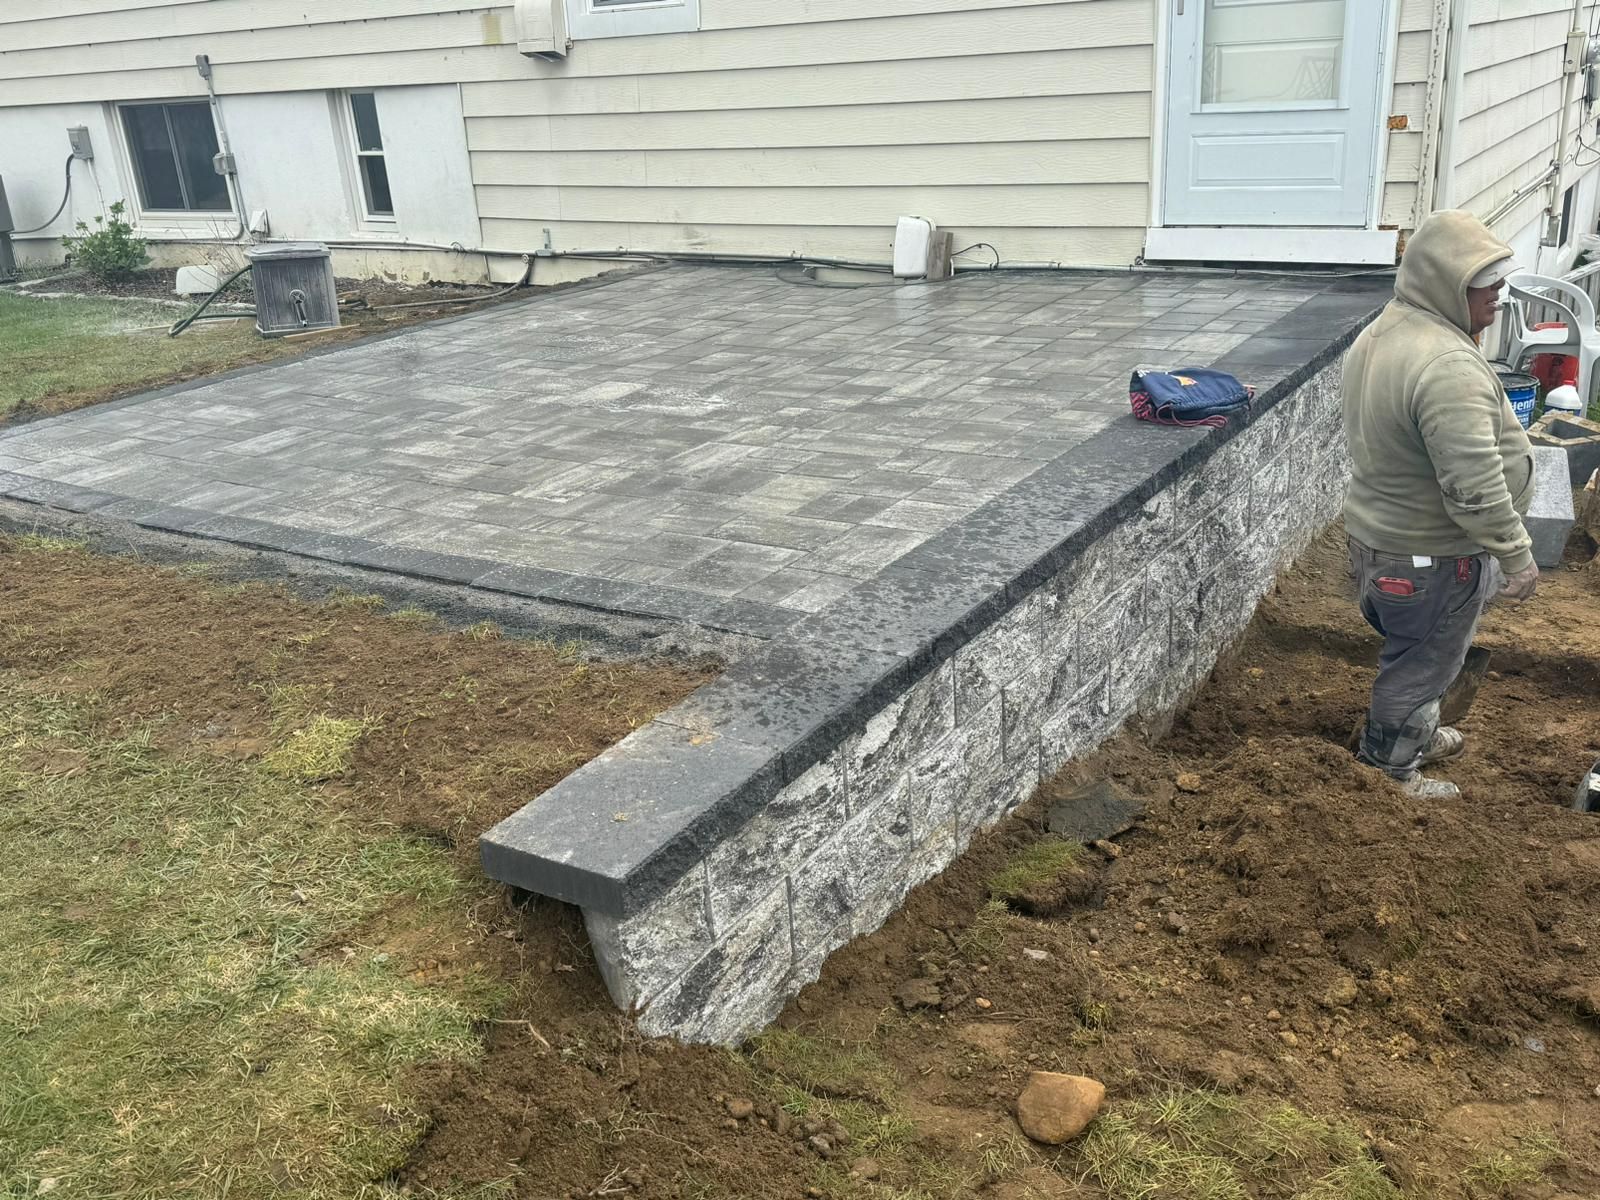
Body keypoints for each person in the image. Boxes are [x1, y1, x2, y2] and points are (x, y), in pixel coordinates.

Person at [1341, 209, 1538, 800]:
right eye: (1488, 285)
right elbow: (1472, 485)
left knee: (1412, 652)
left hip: (1381, 543)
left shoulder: (1384, 332)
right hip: (1431, 556)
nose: (1498, 297)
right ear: (1446, 283)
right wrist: (1517, 553)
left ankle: (1412, 732)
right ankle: (1391, 771)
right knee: (1420, 665)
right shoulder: (1447, 366)